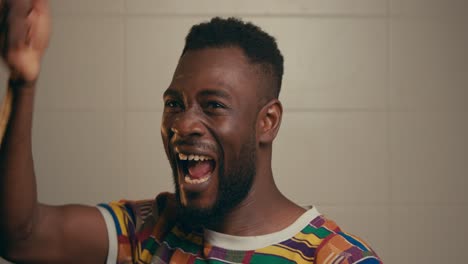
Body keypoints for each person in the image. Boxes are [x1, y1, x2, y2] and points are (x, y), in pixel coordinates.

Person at [0, 1, 382, 263]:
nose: (182, 125)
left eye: (213, 105)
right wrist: (23, 79)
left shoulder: (335, 257)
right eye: (174, 104)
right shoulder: (149, 229)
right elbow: (20, 235)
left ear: (267, 122)